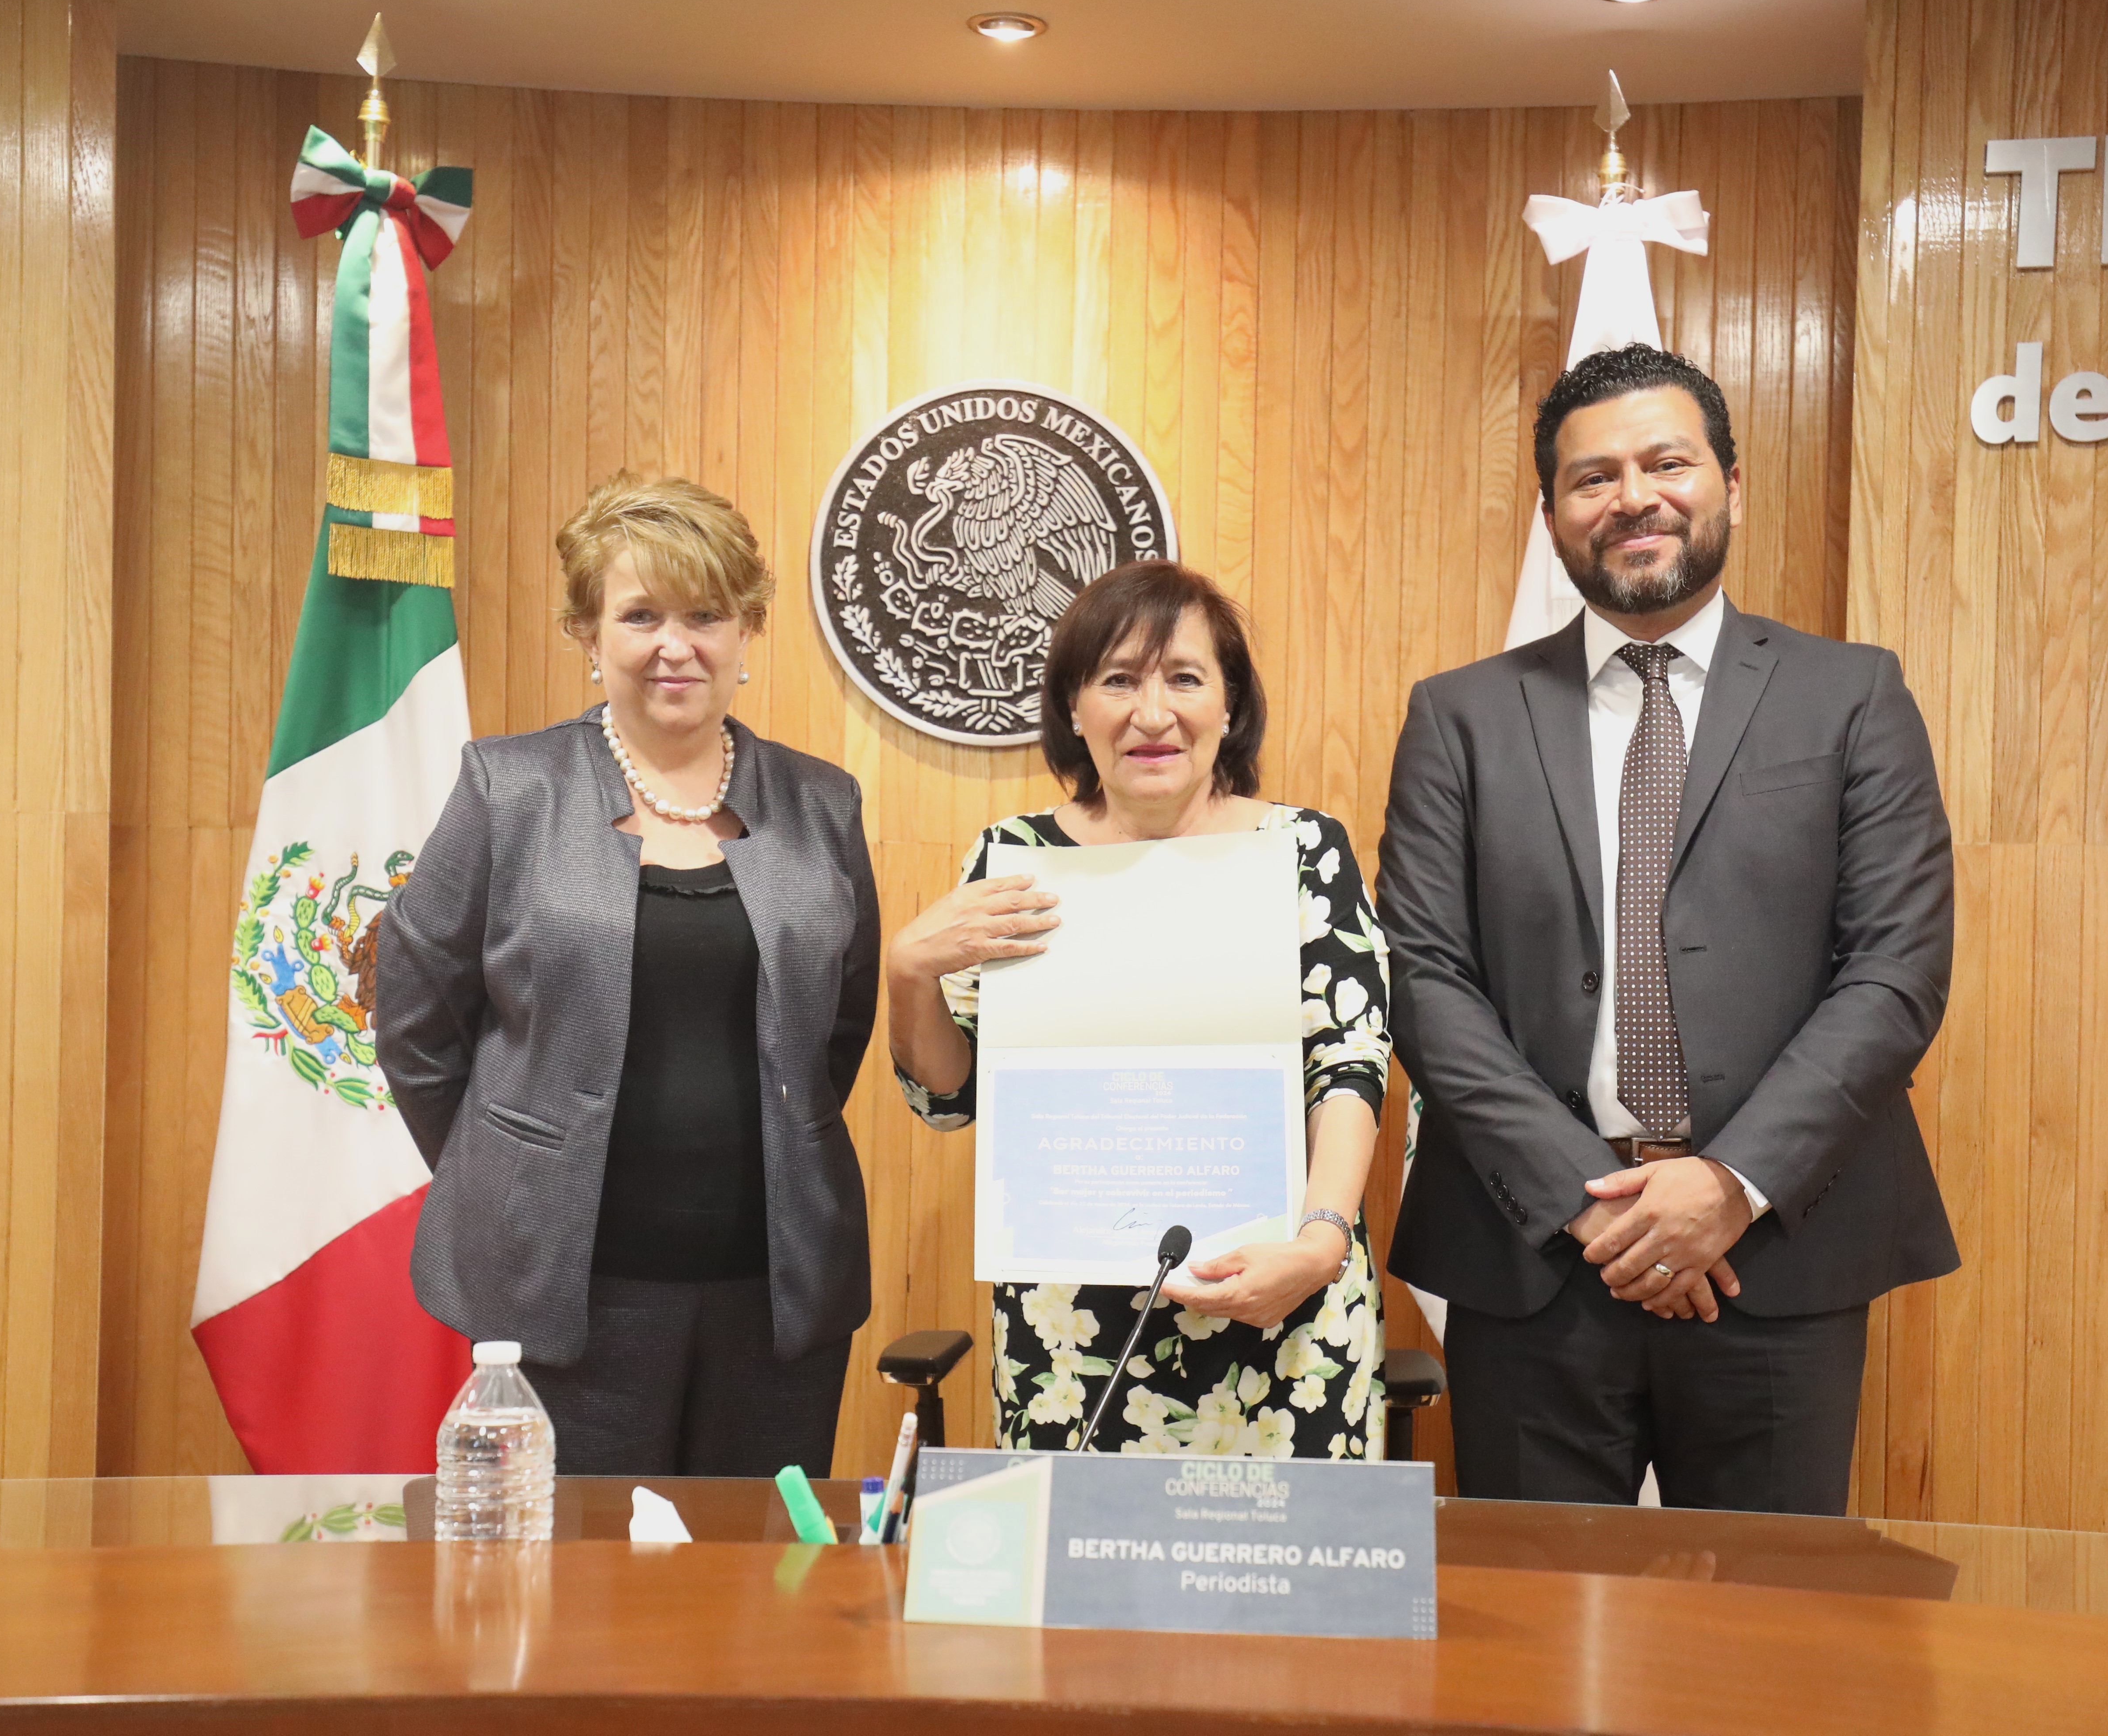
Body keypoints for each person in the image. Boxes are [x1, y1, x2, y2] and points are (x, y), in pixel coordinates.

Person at [1378, 343, 1957, 1514]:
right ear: (1550, 517)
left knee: (1764, 1649)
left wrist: (1726, 1185)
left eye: (1666, 461)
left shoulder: (1851, 694)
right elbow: (1424, 973)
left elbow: (1895, 968)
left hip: (1774, 1252)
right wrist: (1597, 1201)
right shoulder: (1461, 716)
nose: (1633, 495)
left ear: (1729, 485)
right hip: (1536, 1252)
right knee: (1534, 1649)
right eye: (1592, 477)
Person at [379, 472, 880, 1477]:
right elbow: (416, 1021)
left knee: (752, 1596)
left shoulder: (821, 801)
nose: (674, 645)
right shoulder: (508, 788)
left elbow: (840, 1026)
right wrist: (520, 1164)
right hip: (561, 1292)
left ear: (748, 630)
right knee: (569, 1601)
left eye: (705, 614)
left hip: (776, 1298)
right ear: (587, 632)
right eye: (640, 614)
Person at [890, 561, 1391, 1458]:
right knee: (1082, 1589)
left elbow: (1347, 1062)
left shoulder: (1302, 849)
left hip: (1284, 1306)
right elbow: (952, 1096)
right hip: (1069, 1331)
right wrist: (908, 974)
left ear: (1230, 706)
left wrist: (1320, 1244)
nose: (1151, 713)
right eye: (1117, 680)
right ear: (1073, 710)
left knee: (1279, 1594)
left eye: (1184, 679)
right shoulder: (1014, 857)